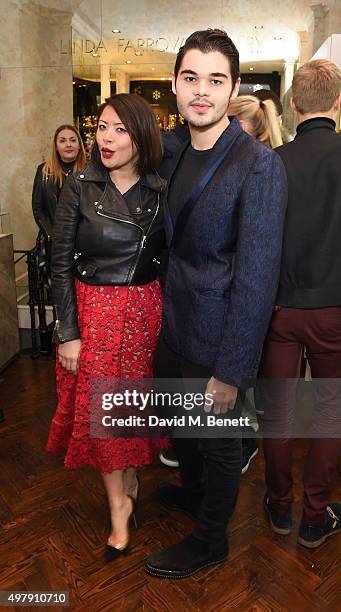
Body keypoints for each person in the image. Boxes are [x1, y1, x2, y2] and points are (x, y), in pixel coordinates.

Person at [144, 29, 287, 579]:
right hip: (172, 324)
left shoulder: (257, 164)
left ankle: (210, 541)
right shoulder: (172, 149)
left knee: (222, 441)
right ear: (176, 84)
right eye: (191, 78)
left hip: (220, 332)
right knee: (181, 430)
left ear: (232, 89)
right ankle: (195, 494)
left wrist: (231, 371)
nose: (201, 91)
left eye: (216, 79)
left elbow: (257, 279)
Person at [47, 94, 168, 562]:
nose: (107, 139)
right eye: (102, 128)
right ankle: (119, 510)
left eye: (120, 130)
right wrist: (67, 331)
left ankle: (131, 481)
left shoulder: (160, 190)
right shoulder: (80, 185)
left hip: (144, 318)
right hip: (93, 316)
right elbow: (59, 264)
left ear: (141, 136)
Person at [257, 59, 341, 548]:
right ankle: (315, 514)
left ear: (292, 105)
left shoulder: (273, 162)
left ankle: (278, 504)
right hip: (335, 310)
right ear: (337, 103)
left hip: (281, 310)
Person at [226, 94, 283, 473]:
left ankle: (245, 443)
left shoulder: (265, 167)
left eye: (233, 124)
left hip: (254, 287)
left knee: (244, 370)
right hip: (234, 285)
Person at [32, 124, 85, 240]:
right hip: (54, 240)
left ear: (79, 145)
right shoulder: (44, 171)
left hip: (84, 240)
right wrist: (52, 234)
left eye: (73, 140)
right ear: (56, 146)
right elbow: (38, 208)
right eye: (62, 141)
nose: (69, 144)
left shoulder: (90, 171)